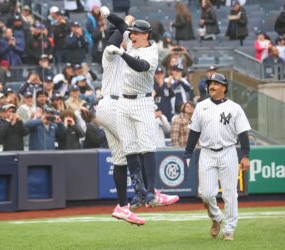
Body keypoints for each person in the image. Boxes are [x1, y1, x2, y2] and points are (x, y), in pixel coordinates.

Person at [100, 6, 179, 211]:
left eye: (135, 33)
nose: (131, 35)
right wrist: (109, 16)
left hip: (142, 102)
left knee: (146, 147)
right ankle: (140, 193)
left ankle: (151, 191)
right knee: (130, 150)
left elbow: (140, 66)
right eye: (132, 32)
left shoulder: (151, 52)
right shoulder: (132, 42)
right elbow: (121, 26)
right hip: (123, 103)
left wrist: (122, 52)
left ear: (145, 35)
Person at [183, 72, 251, 241]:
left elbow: (243, 133)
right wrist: (188, 153)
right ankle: (217, 218)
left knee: (230, 194)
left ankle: (229, 229)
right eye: (210, 83)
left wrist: (245, 155)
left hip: (228, 151)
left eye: (215, 83)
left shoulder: (235, 108)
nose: (211, 86)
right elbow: (194, 132)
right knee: (205, 194)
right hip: (206, 153)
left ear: (224, 87)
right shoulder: (201, 106)